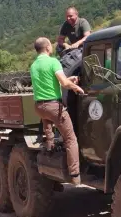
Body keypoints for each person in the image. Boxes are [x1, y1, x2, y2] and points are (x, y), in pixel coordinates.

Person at [30, 37, 85, 185]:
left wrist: (69, 79)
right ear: (48, 47)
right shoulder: (53, 61)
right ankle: (75, 175)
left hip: (39, 107)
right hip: (53, 106)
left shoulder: (34, 65)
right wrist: (76, 87)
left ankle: (50, 146)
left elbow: (50, 82)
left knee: (48, 124)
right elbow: (63, 82)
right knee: (70, 138)